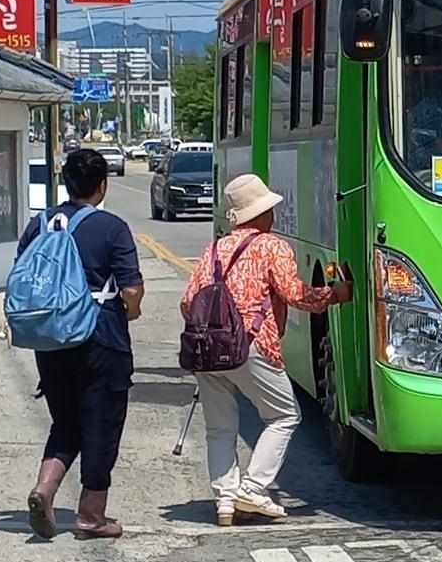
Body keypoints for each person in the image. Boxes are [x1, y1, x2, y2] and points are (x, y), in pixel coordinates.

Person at [180, 174, 351, 526]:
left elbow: (187, 303)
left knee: (220, 428)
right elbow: (296, 295)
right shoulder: (272, 246)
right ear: (259, 215)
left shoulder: (214, 249)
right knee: (284, 416)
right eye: (270, 209)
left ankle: (225, 501)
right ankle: (255, 488)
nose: (273, 214)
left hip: (207, 349)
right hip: (253, 345)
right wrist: (335, 294)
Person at [21, 149, 145, 541]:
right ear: (103, 185)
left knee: (67, 422)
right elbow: (131, 288)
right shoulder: (111, 227)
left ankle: (45, 489)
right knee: (102, 426)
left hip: (51, 337)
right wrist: (132, 309)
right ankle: (91, 516)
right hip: (100, 337)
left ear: (65, 183)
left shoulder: (40, 224)